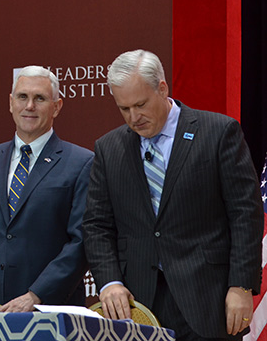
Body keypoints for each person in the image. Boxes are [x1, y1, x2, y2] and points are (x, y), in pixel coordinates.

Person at [83, 49, 263, 341]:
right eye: (124, 108)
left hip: (209, 300)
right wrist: (109, 282)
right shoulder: (109, 148)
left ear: (162, 88)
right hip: (138, 307)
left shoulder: (218, 132)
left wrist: (241, 285)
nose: (134, 117)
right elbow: (97, 225)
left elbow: (245, 214)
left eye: (140, 104)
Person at [0, 66, 93, 312]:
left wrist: (36, 295)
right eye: (23, 97)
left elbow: (81, 242)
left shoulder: (82, 163)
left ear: (57, 107)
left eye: (40, 98)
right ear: (11, 103)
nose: (30, 106)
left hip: (48, 310)